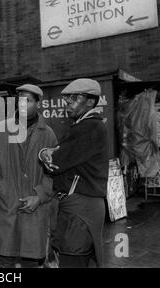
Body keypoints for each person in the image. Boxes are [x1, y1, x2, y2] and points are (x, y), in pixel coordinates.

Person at [0, 84, 58, 267]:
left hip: (35, 211)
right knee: (5, 261)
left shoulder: (49, 134)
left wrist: (40, 196)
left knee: (31, 262)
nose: (22, 104)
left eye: (28, 101)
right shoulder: (1, 129)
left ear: (38, 103)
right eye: (20, 100)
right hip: (7, 208)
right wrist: (0, 189)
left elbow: (53, 171)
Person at [39, 78, 109, 268]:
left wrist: (46, 154)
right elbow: (58, 153)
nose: (68, 102)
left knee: (73, 260)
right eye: (67, 98)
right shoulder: (85, 125)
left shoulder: (88, 127)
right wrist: (47, 152)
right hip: (82, 206)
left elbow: (54, 162)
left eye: (74, 98)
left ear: (90, 101)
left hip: (80, 208)